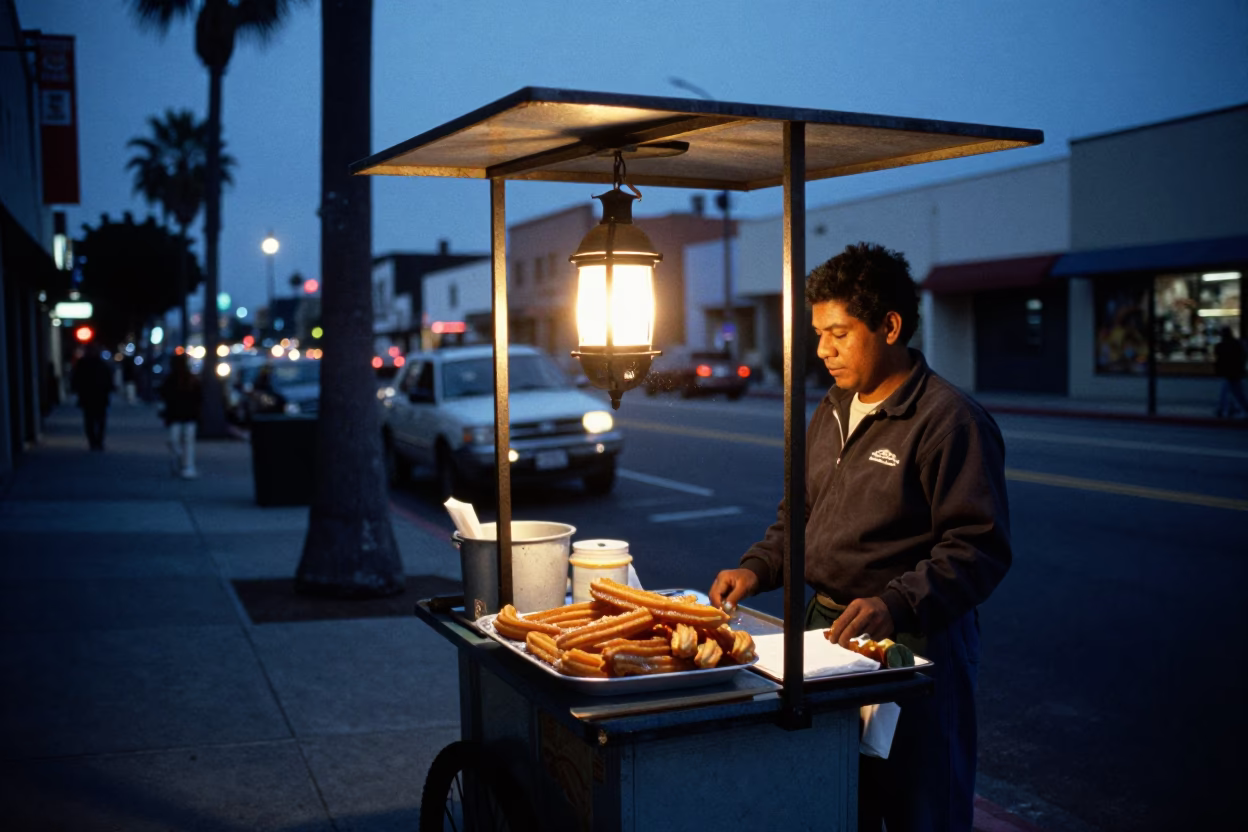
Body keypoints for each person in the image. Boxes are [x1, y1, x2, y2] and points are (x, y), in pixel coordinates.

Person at [710, 242, 1012, 832]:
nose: (822, 349)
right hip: (826, 637)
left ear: (890, 326)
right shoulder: (832, 407)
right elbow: (800, 514)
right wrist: (759, 566)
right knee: (838, 794)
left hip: (913, 646)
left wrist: (895, 603)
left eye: (839, 333)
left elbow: (978, 546)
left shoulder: (949, 421)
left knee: (921, 804)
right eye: (818, 332)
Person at [160, 353, 203, 478]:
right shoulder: (173, 380)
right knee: (176, 441)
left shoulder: (190, 379)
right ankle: (182, 462)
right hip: (178, 415)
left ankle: (187, 465)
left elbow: (198, 397)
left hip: (186, 415)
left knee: (186, 441)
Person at [70, 344, 114, 451]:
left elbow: (76, 378)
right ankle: (96, 441)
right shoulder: (101, 364)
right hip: (96, 396)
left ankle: (95, 441)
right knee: (97, 420)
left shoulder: (85, 364)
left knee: (92, 420)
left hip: (91, 396)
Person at [1213, 326, 1247, 418]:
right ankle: (1228, 409)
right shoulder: (1237, 344)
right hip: (1235, 372)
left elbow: (1219, 360)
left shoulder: (1221, 346)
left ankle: (1223, 409)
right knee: (1234, 392)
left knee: (1230, 392)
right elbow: (1242, 358)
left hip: (1229, 372)